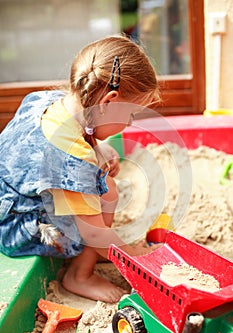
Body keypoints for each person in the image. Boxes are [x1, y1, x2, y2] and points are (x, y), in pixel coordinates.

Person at [0, 35, 160, 303]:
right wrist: (135, 255)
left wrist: (99, 149)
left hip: (9, 196)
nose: (130, 125)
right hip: (17, 227)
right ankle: (80, 275)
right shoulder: (70, 159)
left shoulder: (49, 100)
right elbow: (95, 233)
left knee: (99, 179)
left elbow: (76, 134)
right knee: (107, 191)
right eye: (131, 115)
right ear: (109, 101)